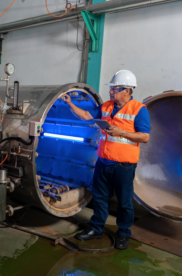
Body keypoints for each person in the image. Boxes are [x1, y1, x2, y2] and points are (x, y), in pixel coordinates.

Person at [62, 70, 150, 250]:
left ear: (128, 90)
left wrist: (122, 132)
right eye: (111, 88)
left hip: (124, 165)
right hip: (103, 162)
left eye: (115, 88)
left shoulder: (139, 110)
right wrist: (70, 103)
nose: (111, 92)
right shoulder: (106, 106)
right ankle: (96, 229)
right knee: (100, 197)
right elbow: (87, 116)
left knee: (125, 202)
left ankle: (124, 234)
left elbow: (145, 137)